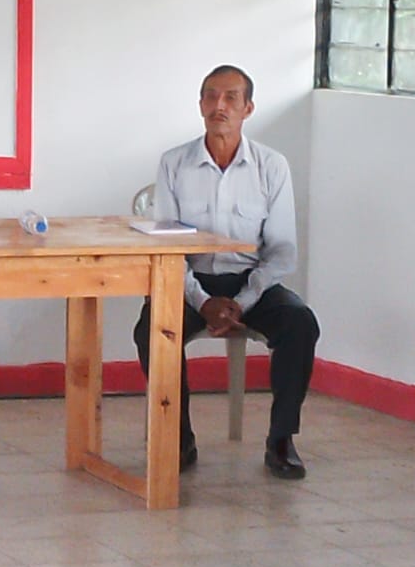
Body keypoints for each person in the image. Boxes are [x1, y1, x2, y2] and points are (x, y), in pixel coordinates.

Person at [133, 64, 319, 481]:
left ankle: (281, 440)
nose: (220, 106)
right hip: (187, 281)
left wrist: (241, 301)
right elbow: (166, 246)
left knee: (300, 322)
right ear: (200, 105)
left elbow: (282, 251)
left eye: (231, 97)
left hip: (252, 283)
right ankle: (178, 437)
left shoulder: (272, 166)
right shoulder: (174, 163)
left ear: (248, 108)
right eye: (211, 96)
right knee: (150, 330)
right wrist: (202, 301)